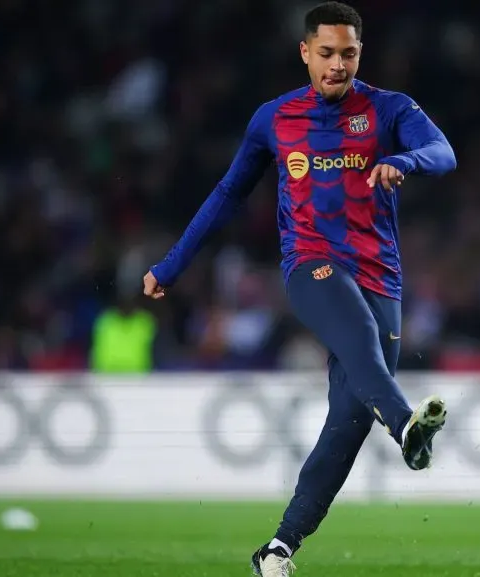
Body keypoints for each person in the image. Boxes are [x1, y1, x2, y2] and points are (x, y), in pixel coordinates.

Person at [141, 3, 456, 574]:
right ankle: (407, 424)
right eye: (328, 53)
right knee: (357, 335)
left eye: (350, 54)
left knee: (348, 420)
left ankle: (278, 549)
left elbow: (444, 153)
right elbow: (228, 194)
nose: (339, 65)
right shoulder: (274, 118)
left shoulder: (389, 109)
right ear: (306, 53)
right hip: (310, 263)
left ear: (361, 53)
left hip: (380, 274)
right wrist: (171, 265)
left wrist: (405, 160)